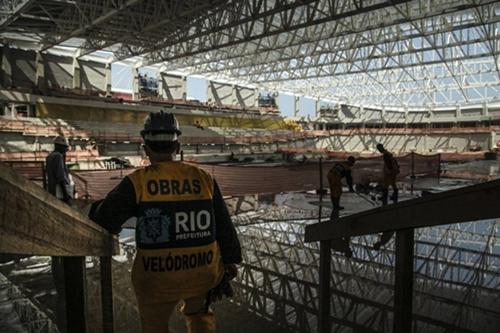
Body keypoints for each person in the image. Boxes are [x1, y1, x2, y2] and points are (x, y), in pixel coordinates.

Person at [91, 111, 242, 333]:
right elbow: (224, 225)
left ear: (146, 148)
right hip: (202, 272)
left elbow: (105, 219)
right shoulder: (205, 179)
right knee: (200, 317)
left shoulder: (137, 182)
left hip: (155, 279)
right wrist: (230, 264)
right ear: (178, 147)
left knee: (154, 326)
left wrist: (96, 207)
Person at [45, 135, 74, 333]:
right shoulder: (57, 158)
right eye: (65, 149)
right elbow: (62, 178)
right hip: (59, 194)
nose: (66, 152)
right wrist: (68, 198)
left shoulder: (50, 156)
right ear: (62, 147)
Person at [373, 143, 400, 251]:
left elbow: (388, 163)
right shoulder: (388, 153)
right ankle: (394, 195)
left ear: (380, 148)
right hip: (393, 170)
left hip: (390, 171)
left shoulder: (385, 154)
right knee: (392, 183)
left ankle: (385, 197)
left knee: (386, 184)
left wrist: (388, 171)